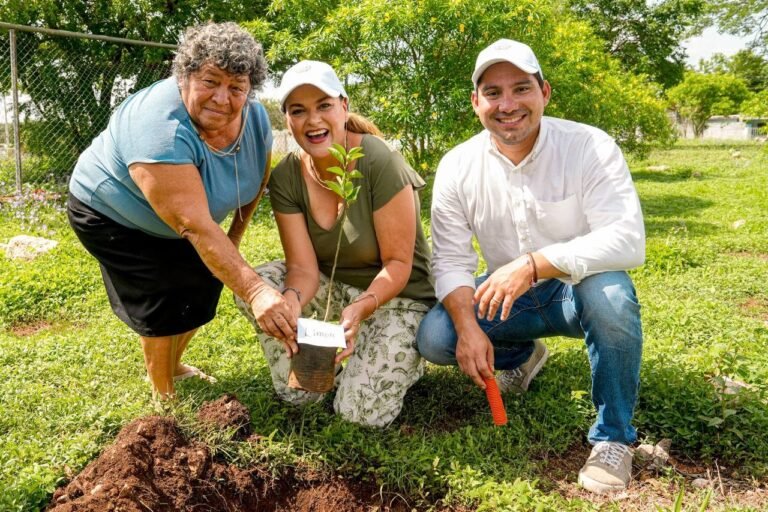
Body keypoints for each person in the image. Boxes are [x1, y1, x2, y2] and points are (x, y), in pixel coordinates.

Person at [416, 39, 645, 493]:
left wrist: (536, 263)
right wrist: (467, 326)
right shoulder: (458, 165)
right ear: (475, 102)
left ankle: (614, 438)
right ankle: (523, 355)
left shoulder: (588, 146)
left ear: (545, 92)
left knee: (612, 299)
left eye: (521, 89)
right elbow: (451, 259)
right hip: (510, 298)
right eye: (493, 92)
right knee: (437, 337)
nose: (508, 105)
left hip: (578, 290)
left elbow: (627, 238)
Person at [67, 22, 297, 400]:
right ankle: (163, 391)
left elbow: (256, 180)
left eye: (236, 87)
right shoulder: (159, 126)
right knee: (163, 294)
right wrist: (256, 290)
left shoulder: (254, 119)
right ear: (185, 75)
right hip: (112, 214)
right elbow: (191, 224)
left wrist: (233, 239)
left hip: (192, 222)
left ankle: (173, 365)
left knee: (206, 284)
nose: (222, 98)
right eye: (210, 81)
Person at [235, 60, 435, 428]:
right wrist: (291, 300)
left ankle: (400, 355)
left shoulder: (377, 160)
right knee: (298, 388)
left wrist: (360, 310)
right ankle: (341, 360)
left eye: (323, 105)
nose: (313, 120)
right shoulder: (286, 176)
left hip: (397, 297)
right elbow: (302, 268)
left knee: (358, 415)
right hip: (334, 292)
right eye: (299, 111)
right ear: (287, 120)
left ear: (344, 106)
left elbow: (399, 264)